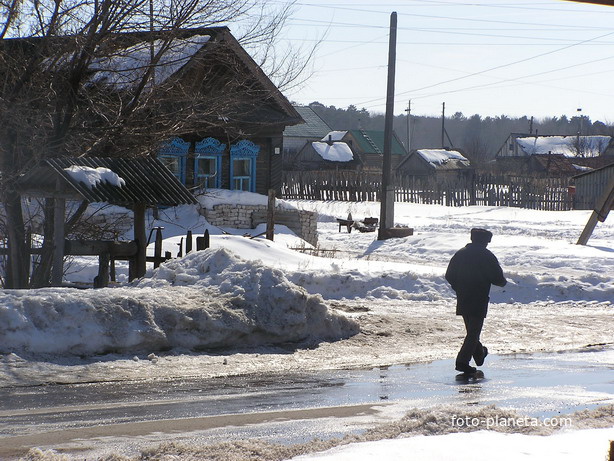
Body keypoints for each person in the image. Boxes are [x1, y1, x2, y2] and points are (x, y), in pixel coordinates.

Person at [445, 228, 507, 374]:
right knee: (473, 332)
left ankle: (479, 353)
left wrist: (458, 287)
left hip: (463, 296)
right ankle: (462, 362)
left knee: (471, 331)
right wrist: (503, 283)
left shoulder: (460, 253)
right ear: (486, 241)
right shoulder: (486, 255)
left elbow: (449, 275)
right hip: (479, 297)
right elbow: (497, 278)